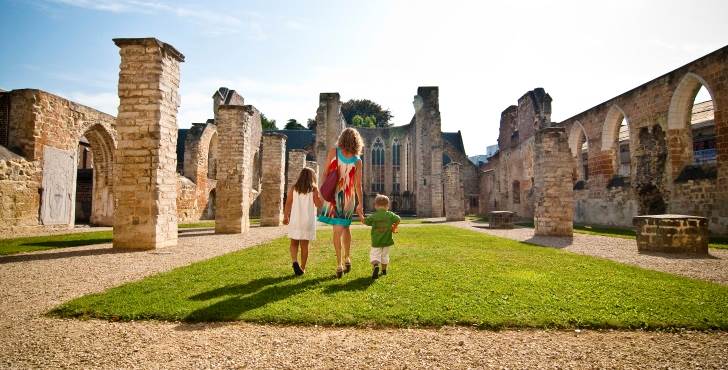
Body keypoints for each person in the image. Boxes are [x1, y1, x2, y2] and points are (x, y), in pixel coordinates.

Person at [317, 128, 365, 278]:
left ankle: (339, 264)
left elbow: (325, 173)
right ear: (357, 142)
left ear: (342, 139)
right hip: (349, 198)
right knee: (345, 227)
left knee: (336, 230)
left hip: (333, 196)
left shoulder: (334, 152)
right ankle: (347, 257)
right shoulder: (358, 161)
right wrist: (360, 204)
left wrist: (322, 192)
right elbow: (358, 185)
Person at [283, 167, 322, 276]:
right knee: (305, 246)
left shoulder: (294, 188)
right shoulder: (314, 189)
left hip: (296, 219)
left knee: (294, 243)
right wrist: (320, 199)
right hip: (307, 220)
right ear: (311, 177)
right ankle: (302, 268)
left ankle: (295, 261)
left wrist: (286, 216)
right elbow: (318, 205)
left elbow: (288, 203)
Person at [362, 194, 401, 279]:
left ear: (375, 206)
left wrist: (360, 214)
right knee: (385, 256)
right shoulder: (390, 215)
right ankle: (384, 271)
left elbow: (365, 221)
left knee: (375, 255)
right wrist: (394, 227)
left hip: (376, 241)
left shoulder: (374, 216)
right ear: (387, 206)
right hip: (387, 241)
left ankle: (376, 266)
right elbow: (398, 219)